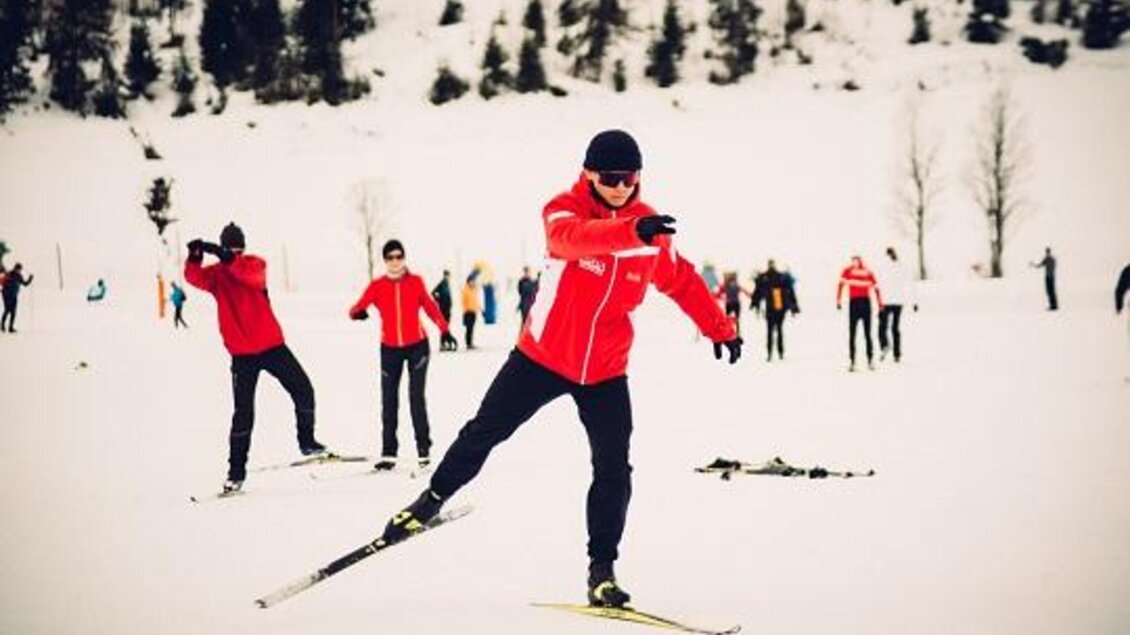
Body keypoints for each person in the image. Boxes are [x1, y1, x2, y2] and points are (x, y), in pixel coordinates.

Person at [376, 129, 743, 608]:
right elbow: (571, 241)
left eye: (629, 178)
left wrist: (720, 327)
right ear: (590, 173)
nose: (619, 187)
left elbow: (682, 281)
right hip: (542, 357)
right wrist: (630, 233)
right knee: (484, 431)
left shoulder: (650, 229)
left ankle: (602, 571)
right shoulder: (565, 209)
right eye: (610, 177)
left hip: (606, 371)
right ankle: (429, 501)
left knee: (614, 469)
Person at [185, 223, 326, 493]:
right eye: (230, 248)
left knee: (303, 389)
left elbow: (250, 277)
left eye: (238, 248)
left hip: (272, 346)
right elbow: (194, 278)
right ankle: (235, 473)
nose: (235, 252)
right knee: (243, 414)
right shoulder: (215, 276)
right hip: (242, 355)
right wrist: (194, 256)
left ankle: (307, 442)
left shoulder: (254, 264)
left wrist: (227, 257)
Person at [349, 240, 459, 471]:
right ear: (385, 260)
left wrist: (445, 329)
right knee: (389, 401)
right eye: (390, 257)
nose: (395, 261)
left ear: (404, 258)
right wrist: (358, 313)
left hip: (417, 346)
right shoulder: (377, 286)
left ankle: (423, 450)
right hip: (389, 349)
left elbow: (430, 307)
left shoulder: (416, 282)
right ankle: (389, 453)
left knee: (415, 398)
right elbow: (356, 307)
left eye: (399, 256)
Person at [836, 255, 883, 372]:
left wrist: (839, 300)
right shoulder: (865, 272)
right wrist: (880, 303)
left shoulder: (852, 271)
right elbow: (876, 289)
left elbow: (840, 285)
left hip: (857, 303)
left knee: (855, 334)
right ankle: (865, 360)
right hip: (863, 303)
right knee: (864, 334)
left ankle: (857, 361)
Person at [875, 247, 917, 363]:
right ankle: (897, 354)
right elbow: (910, 284)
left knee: (882, 327)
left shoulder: (883, 267)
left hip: (886, 302)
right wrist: (914, 302)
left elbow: (878, 286)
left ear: (886, 255)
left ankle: (885, 345)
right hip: (899, 302)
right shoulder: (902, 267)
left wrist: (878, 303)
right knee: (895, 328)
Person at [752, 259, 799, 361]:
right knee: (779, 330)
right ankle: (779, 353)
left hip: (771, 309)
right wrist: (794, 307)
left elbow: (757, 293)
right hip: (779, 308)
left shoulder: (765, 278)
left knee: (770, 331)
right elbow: (790, 292)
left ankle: (771, 354)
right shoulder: (781, 277)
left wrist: (755, 304)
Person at [1, 263, 33, 333]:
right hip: (6, 295)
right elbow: (2, 280)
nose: (19, 271)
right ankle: (2, 326)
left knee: (13, 312)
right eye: (18, 269)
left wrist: (30, 279)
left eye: (20, 270)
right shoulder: (9, 274)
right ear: (15, 268)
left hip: (14, 295)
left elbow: (25, 284)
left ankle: (10, 327)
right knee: (7, 310)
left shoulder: (19, 276)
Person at [715, 271, 750, 337]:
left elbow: (718, 294)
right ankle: (737, 334)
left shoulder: (725, 285)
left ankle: (728, 333)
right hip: (736, 303)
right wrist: (751, 295)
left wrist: (716, 297)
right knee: (736, 319)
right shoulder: (736, 285)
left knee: (727, 319)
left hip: (729, 303)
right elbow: (744, 290)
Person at [461, 273, 481, 350]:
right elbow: (463, 301)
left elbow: (476, 301)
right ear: (468, 282)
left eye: (473, 281)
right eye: (471, 281)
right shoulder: (465, 290)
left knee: (472, 328)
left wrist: (479, 309)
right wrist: (466, 309)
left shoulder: (474, 290)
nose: (473, 282)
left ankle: (471, 343)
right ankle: (468, 343)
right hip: (468, 312)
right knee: (468, 328)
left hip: (474, 311)